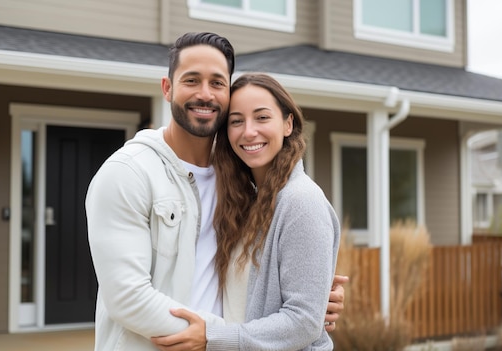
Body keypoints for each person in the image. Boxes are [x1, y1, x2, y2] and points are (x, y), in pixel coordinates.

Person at [86, 32, 346, 351]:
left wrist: (315, 298)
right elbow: (127, 298)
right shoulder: (128, 173)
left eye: (217, 83)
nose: (205, 94)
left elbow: (283, 293)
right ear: (167, 88)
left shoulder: (242, 185)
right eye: (192, 80)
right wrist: (215, 334)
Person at [151, 73, 341, 350]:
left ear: (288, 124)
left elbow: (304, 322)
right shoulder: (244, 199)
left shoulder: (301, 201)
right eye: (236, 121)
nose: (249, 131)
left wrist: (211, 338)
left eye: (262, 118)